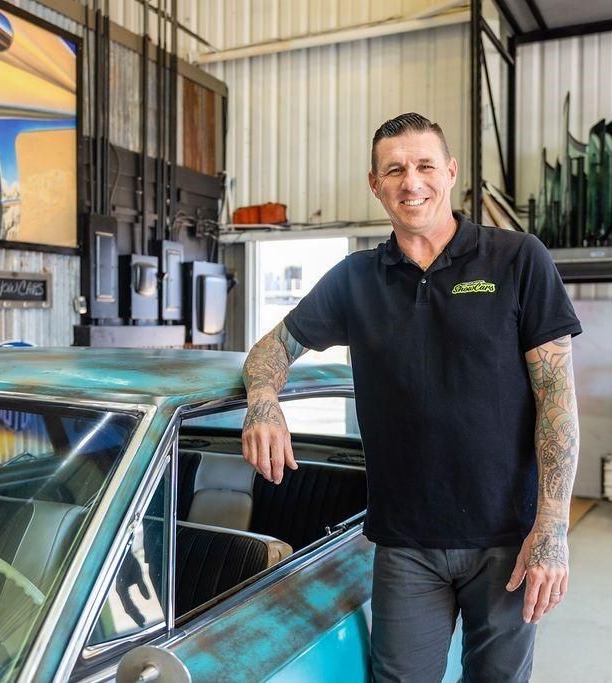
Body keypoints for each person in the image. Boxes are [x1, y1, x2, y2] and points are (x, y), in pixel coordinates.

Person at [240, 112, 581, 682]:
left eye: (424, 165)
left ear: (450, 173)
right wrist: (263, 401)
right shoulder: (356, 279)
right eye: (394, 170)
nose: (411, 181)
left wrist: (552, 525)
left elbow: (557, 400)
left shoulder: (517, 259)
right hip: (406, 545)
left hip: (508, 539)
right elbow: (269, 351)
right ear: (375, 185)